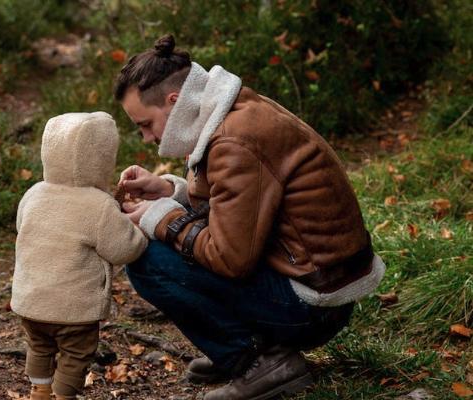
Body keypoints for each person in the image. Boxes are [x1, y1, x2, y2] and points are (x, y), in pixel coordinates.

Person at [114, 34, 386, 400]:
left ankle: (255, 360)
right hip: (317, 282)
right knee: (163, 240)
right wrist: (170, 193)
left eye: (144, 124)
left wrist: (162, 217)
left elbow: (231, 259)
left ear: (174, 102)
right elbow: (239, 206)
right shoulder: (233, 111)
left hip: (312, 306)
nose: (147, 137)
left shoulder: (233, 141)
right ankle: (248, 346)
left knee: (147, 259)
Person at [11, 112, 148, 400]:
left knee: (38, 346)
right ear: (102, 159)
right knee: (75, 353)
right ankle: (63, 396)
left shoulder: (34, 194)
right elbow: (125, 249)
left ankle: (39, 389)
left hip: (31, 301)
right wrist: (140, 228)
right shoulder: (98, 206)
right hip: (75, 309)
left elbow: (22, 227)